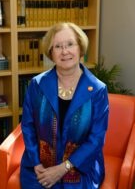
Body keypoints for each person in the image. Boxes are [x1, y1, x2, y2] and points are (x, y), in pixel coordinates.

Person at [20, 22, 109, 189]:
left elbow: (96, 140)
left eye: (70, 44)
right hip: (40, 166)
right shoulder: (37, 85)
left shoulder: (97, 90)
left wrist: (63, 168)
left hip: (80, 169)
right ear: (51, 53)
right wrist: (36, 163)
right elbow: (28, 127)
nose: (65, 51)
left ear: (80, 48)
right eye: (58, 46)